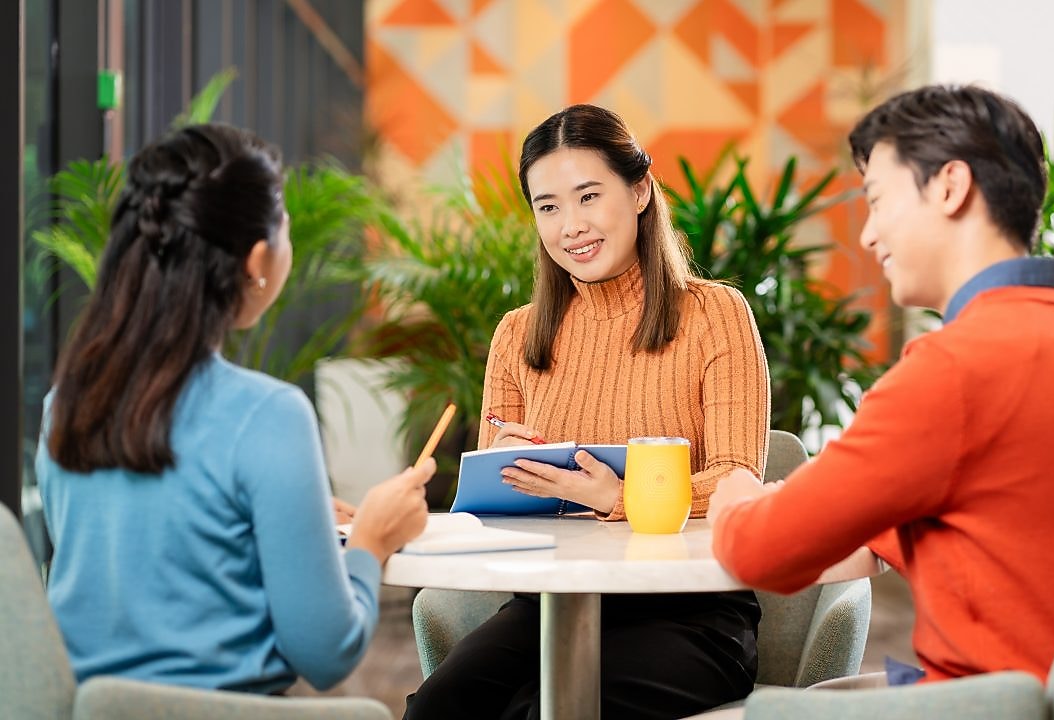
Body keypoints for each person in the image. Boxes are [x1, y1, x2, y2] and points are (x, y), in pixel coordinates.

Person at [708, 85, 1054, 686]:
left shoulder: (954, 367)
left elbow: (757, 553)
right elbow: (1014, 532)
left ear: (951, 186)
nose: (870, 235)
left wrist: (736, 498)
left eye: (877, 201)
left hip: (983, 703)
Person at [403, 104, 770, 719]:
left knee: (535, 712)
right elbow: (490, 517)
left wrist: (621, 495)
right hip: (551, 604)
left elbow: (739, 478)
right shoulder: (517, 335)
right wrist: (500, 475)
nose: (570, 225)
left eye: (588, 196)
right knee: (437, 710)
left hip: (690, 609)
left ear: (640, 191)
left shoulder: (715, 314)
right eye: (548, 206)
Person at [37, 123, 431, 694]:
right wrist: (372, 539)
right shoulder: (270, 416)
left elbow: (130, 573)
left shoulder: (64, 407)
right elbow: (326, 652)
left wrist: (277, 513)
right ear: (256, 261)